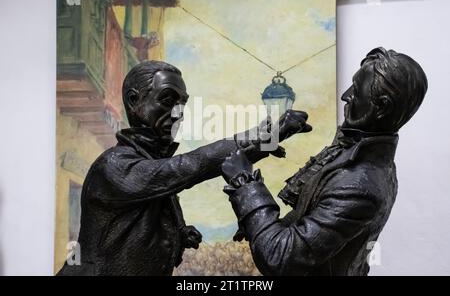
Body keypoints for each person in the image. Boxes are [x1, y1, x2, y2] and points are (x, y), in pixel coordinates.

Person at [57, 60, 310, 275]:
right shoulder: (113, 166)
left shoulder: (148, 161)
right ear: (134, 101)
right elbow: (188, 167)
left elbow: (155, 199)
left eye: (182, 103)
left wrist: (178, 233)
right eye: (167, 100)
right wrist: (262, 135)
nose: (178, 113)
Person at [221, 47, 428, 276]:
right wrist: (259, 225)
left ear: (382, 106)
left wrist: (246, 184)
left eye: (356, 90)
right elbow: (306, 219)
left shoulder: (357, 186)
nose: (346, 95)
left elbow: (279, 257)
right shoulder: (358, 155)